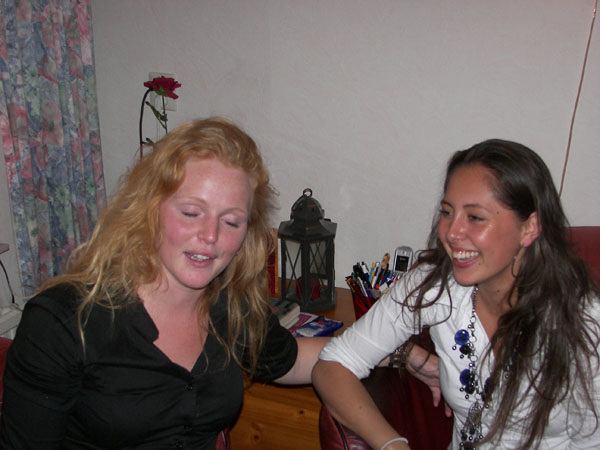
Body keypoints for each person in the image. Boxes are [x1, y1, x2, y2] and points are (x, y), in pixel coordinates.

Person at [0, 117, 328, 449]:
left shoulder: (231, 305)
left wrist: (365, 340)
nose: (210, 235)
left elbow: (289, 360)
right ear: (150, 209)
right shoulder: (62, 321)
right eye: (191, 213)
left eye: (231, 221)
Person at [313, 139, 600, 450]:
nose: (451, 233)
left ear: (530, 227)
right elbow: (334, 364)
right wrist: (392, 444)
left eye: (475, 217)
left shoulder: (585, 326)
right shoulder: (435, 286)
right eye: (447, 212)